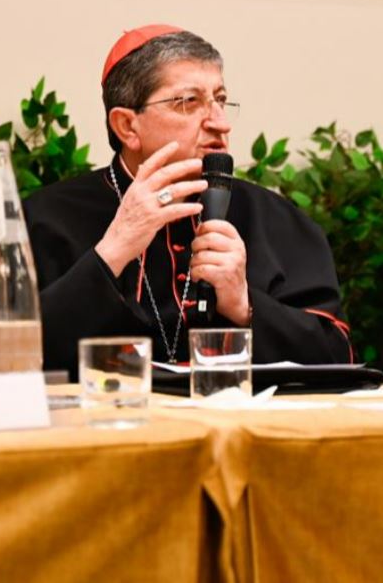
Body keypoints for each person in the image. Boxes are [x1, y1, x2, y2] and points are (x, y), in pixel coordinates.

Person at [24, 25, 352, 376]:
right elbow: (4, 360)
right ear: (127, 126)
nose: (220, 123)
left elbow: (338, 356)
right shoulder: (44, 218)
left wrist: (245, 306)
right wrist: (113, 252)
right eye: (189, 102)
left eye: (221, 100)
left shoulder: (275, 218)